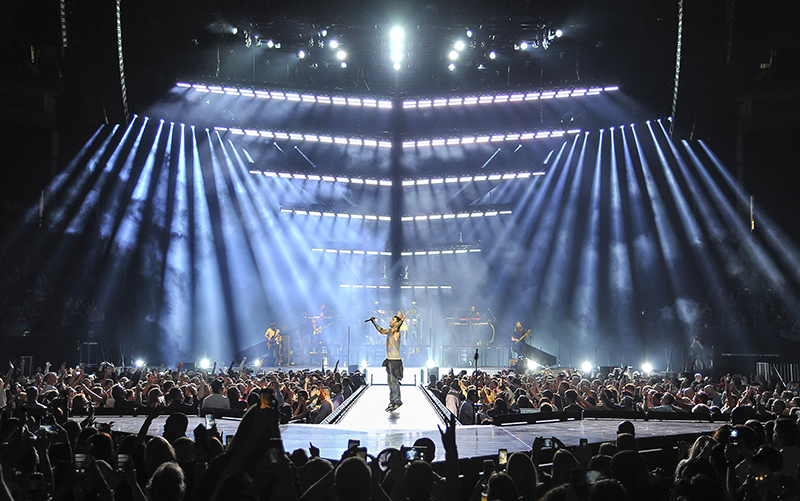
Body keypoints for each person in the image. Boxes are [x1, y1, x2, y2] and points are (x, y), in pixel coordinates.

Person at [368, 311, 406, 412]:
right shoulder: (389, 331)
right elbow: (381, 330)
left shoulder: (396, 331)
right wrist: (374, 323)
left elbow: (398, 327)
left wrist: (401, 320)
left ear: (396, 323)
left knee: (394, 382)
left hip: (395, 360)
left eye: (393, 320)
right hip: (390, 360)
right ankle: (392, 401)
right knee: (390, 382)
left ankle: (397, 401)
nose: (390, 321)